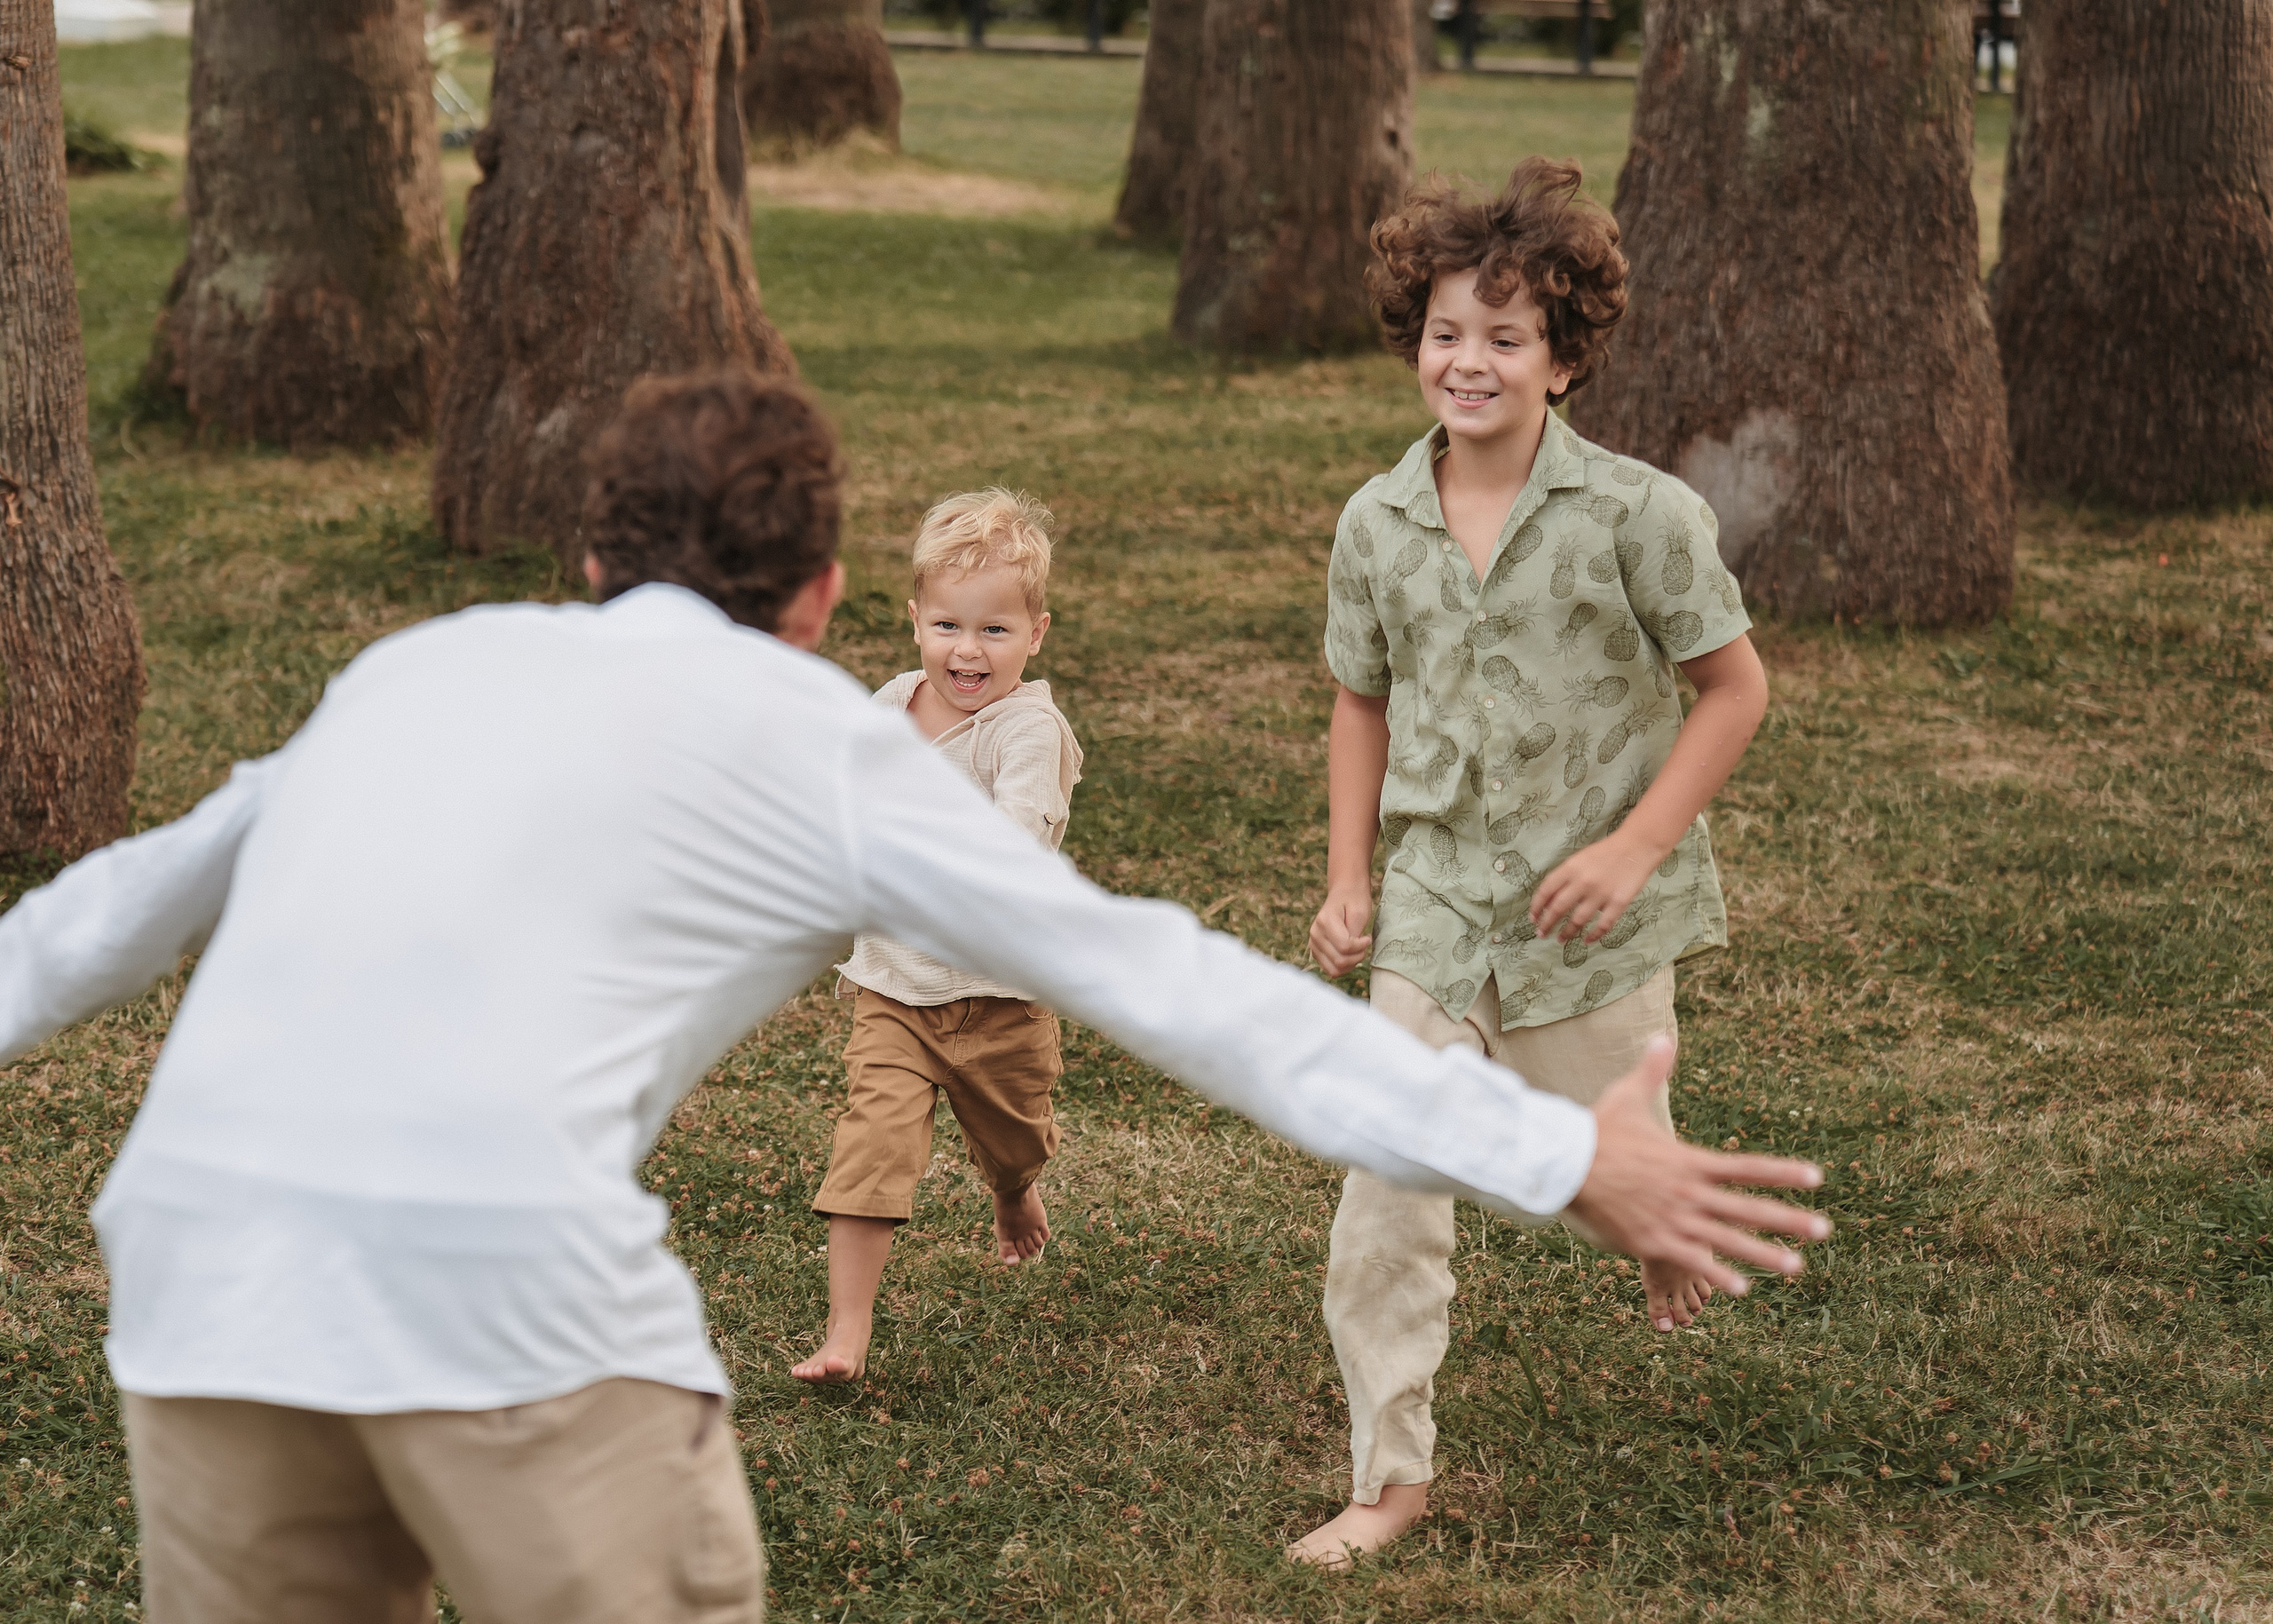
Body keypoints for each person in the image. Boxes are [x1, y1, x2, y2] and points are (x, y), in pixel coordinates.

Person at [0, 369, 1824, 1623]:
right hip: (512, 1305)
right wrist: (1545, 1147)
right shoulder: (828, 743)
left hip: (194, 1281)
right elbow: (1162, 980)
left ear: (582, 562)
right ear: (822, 595)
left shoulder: (412, 670)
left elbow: (97, 918)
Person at [1290, 158, 1772, 1569]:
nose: (1470, 360)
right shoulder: (1375, 525)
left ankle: (1661, 1215)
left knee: (1614, 1166)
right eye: (1447, 331)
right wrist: (1349, 878)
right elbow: (1358, 701)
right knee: (1384, 1190)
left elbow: (1734, 689)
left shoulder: (1641, 518)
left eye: (1506, 337)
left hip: (1588, 926)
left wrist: (1633, 847)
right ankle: (1392, 1474)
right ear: (1412, 342)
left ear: (1564, 359)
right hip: (1437, 908)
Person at [793, 488, 1082, 1385]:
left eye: (994, 630)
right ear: (915, 619)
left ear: (1036, 632)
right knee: (871, 1143)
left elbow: (1017, 834)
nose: (968, 649)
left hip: (1001, 995)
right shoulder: (887, 708)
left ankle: (1011, 1188)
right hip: (895, 989)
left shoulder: (1027, 730)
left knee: (1016, 1133)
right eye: (949, 624)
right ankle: (846, 1332)